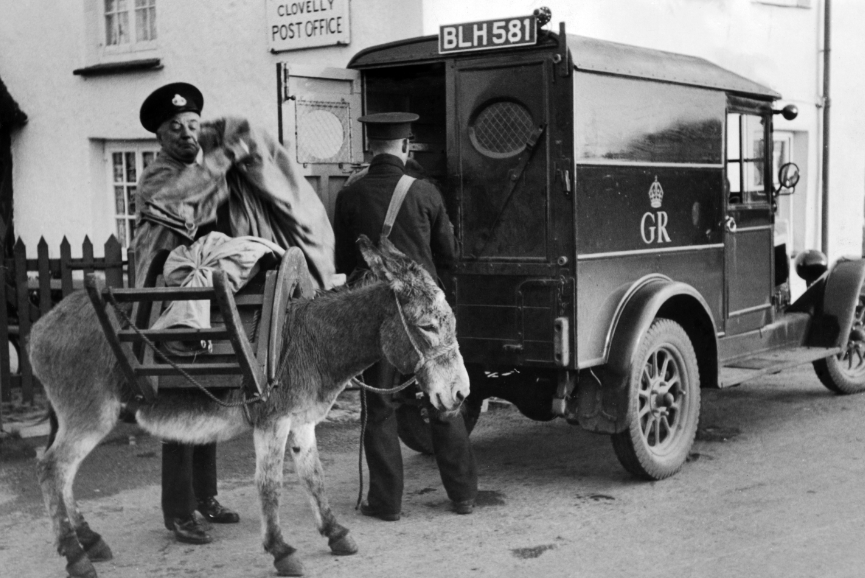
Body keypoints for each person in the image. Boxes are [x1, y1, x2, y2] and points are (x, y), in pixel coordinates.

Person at [134, 82, 338, 544]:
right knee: (181, 393)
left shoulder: (210, 170)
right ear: (160, 137)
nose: (186, 134)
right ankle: (178, 510)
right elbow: (183, 206)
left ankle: (205, 496)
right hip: (170, 295)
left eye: (191, 125)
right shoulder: (158, 176)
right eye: (174, 128)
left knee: (212, 389)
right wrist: (226, 155)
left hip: (212, 293)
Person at [333, 112, 477, 519]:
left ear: (369, 147)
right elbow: (449, 256)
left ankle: (386, 504)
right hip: (424, 321)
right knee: (444, 400)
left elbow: (345, 262)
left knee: (380, 410)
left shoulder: (349, 195)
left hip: (377, 318)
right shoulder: (426, 193)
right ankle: (463, 495)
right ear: (406, 146)